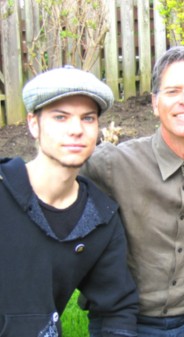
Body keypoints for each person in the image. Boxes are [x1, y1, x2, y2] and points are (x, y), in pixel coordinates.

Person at [80, 45, 184, 336]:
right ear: (155, 103)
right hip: (126, 317)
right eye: (173, 91)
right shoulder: (113, 165)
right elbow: (49, 180)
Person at [0, 66, 139, 337]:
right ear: (33, 123)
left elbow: (117, 307)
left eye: (87, 118)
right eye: (61, 117)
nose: (76, 130)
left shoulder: (100, 218)